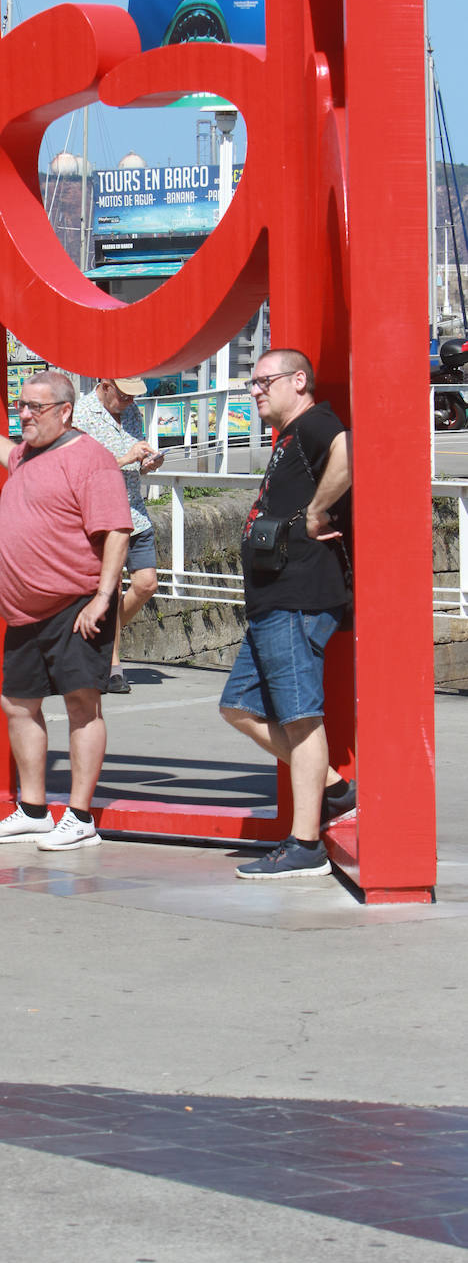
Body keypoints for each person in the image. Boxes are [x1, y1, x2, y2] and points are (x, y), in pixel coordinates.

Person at [0, 372, 132, 850]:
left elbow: (117, 532)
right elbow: (7, 451)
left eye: (35, 408)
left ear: (65, 411)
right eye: (20, 406)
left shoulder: (91, 459)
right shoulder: (27, 453)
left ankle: (82, 817)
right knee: (17, 704)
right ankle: (32, 810)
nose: (24, 415)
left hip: (75, 605)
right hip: (25, 613)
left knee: (82, 706)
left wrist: (104, 599)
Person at [220, 348, 355, 880]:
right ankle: (335, 791)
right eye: (251, 383)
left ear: (298, 381)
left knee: (300, 718)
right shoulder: (289, 439)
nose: (255, 391)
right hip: (274, 601)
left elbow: (349, 451)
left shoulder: (318, 423)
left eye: (263, 381)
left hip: (299, 596)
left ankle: (306, 845)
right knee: (239, 707)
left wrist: (319, 510)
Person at [73, 376, 165, 693]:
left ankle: (102, 635)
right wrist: (127, 458)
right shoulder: (82, 414)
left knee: (146, 583)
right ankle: (112, 667)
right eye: (125, 396)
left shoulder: (132, 412)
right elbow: (82, 469)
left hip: (135, 512)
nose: (130, 402)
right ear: (106, 385)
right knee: (110, 589)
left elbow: (133, 464)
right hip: (101, 514)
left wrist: (147, 463)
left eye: (133, 397)